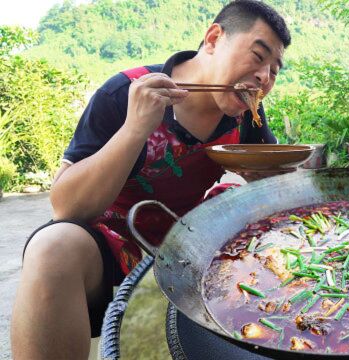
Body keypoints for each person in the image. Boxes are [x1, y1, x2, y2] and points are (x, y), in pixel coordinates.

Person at [11, 1, 290, 358]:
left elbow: (281, 191)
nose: (264, 77)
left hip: (186, 236)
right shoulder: (126, 91)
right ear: (214, 38)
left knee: (241, 204)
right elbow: (65, 205)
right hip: (110, 237)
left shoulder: (247, 115)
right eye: (258, 56)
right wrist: (134, 129)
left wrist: (263, 177)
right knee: (53, 248)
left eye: (274, 70)